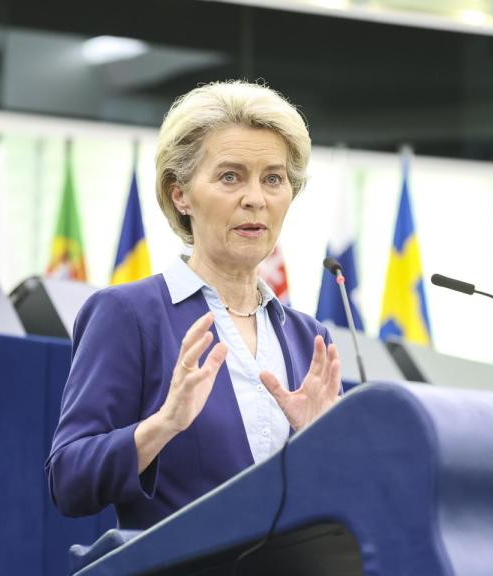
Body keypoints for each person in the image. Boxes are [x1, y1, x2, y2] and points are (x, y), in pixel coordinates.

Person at [45, 80, 342, 530]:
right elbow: (69, 480)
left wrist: (324, 446)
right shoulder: (128, 315)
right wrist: (164, 424)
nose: (255, 199)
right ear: (180, 193)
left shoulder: (310, 339)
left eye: (273, 179)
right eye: (230, 176)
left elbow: (342, 500)